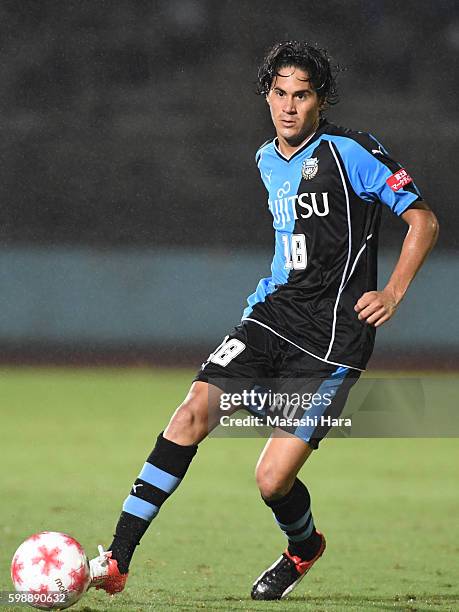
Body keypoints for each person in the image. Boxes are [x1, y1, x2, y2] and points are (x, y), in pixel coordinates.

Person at [88, 41, 439, 601]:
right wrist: (258, 307)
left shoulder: (353, 152)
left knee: (272, 480)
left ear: (321, 100)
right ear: (267, 95)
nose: (289, 106)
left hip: (332, 340)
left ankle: (303, 547)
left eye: (302, 95)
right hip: (272, 319)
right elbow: (288, 247)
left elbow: (423, 220)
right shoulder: (266, 159)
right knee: (189, 414)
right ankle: (116, 559)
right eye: (279, 93)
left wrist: (393, 291)